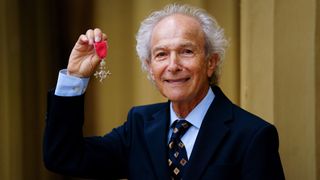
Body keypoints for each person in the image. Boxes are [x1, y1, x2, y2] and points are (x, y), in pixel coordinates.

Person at [43, 4, 285, 180]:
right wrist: (75, 77)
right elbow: (64, 157)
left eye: (187, 51)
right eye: (161, 54)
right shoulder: (138, 125)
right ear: (150, 67)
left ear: (211, 62)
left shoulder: (253, 136)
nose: (173, 65)